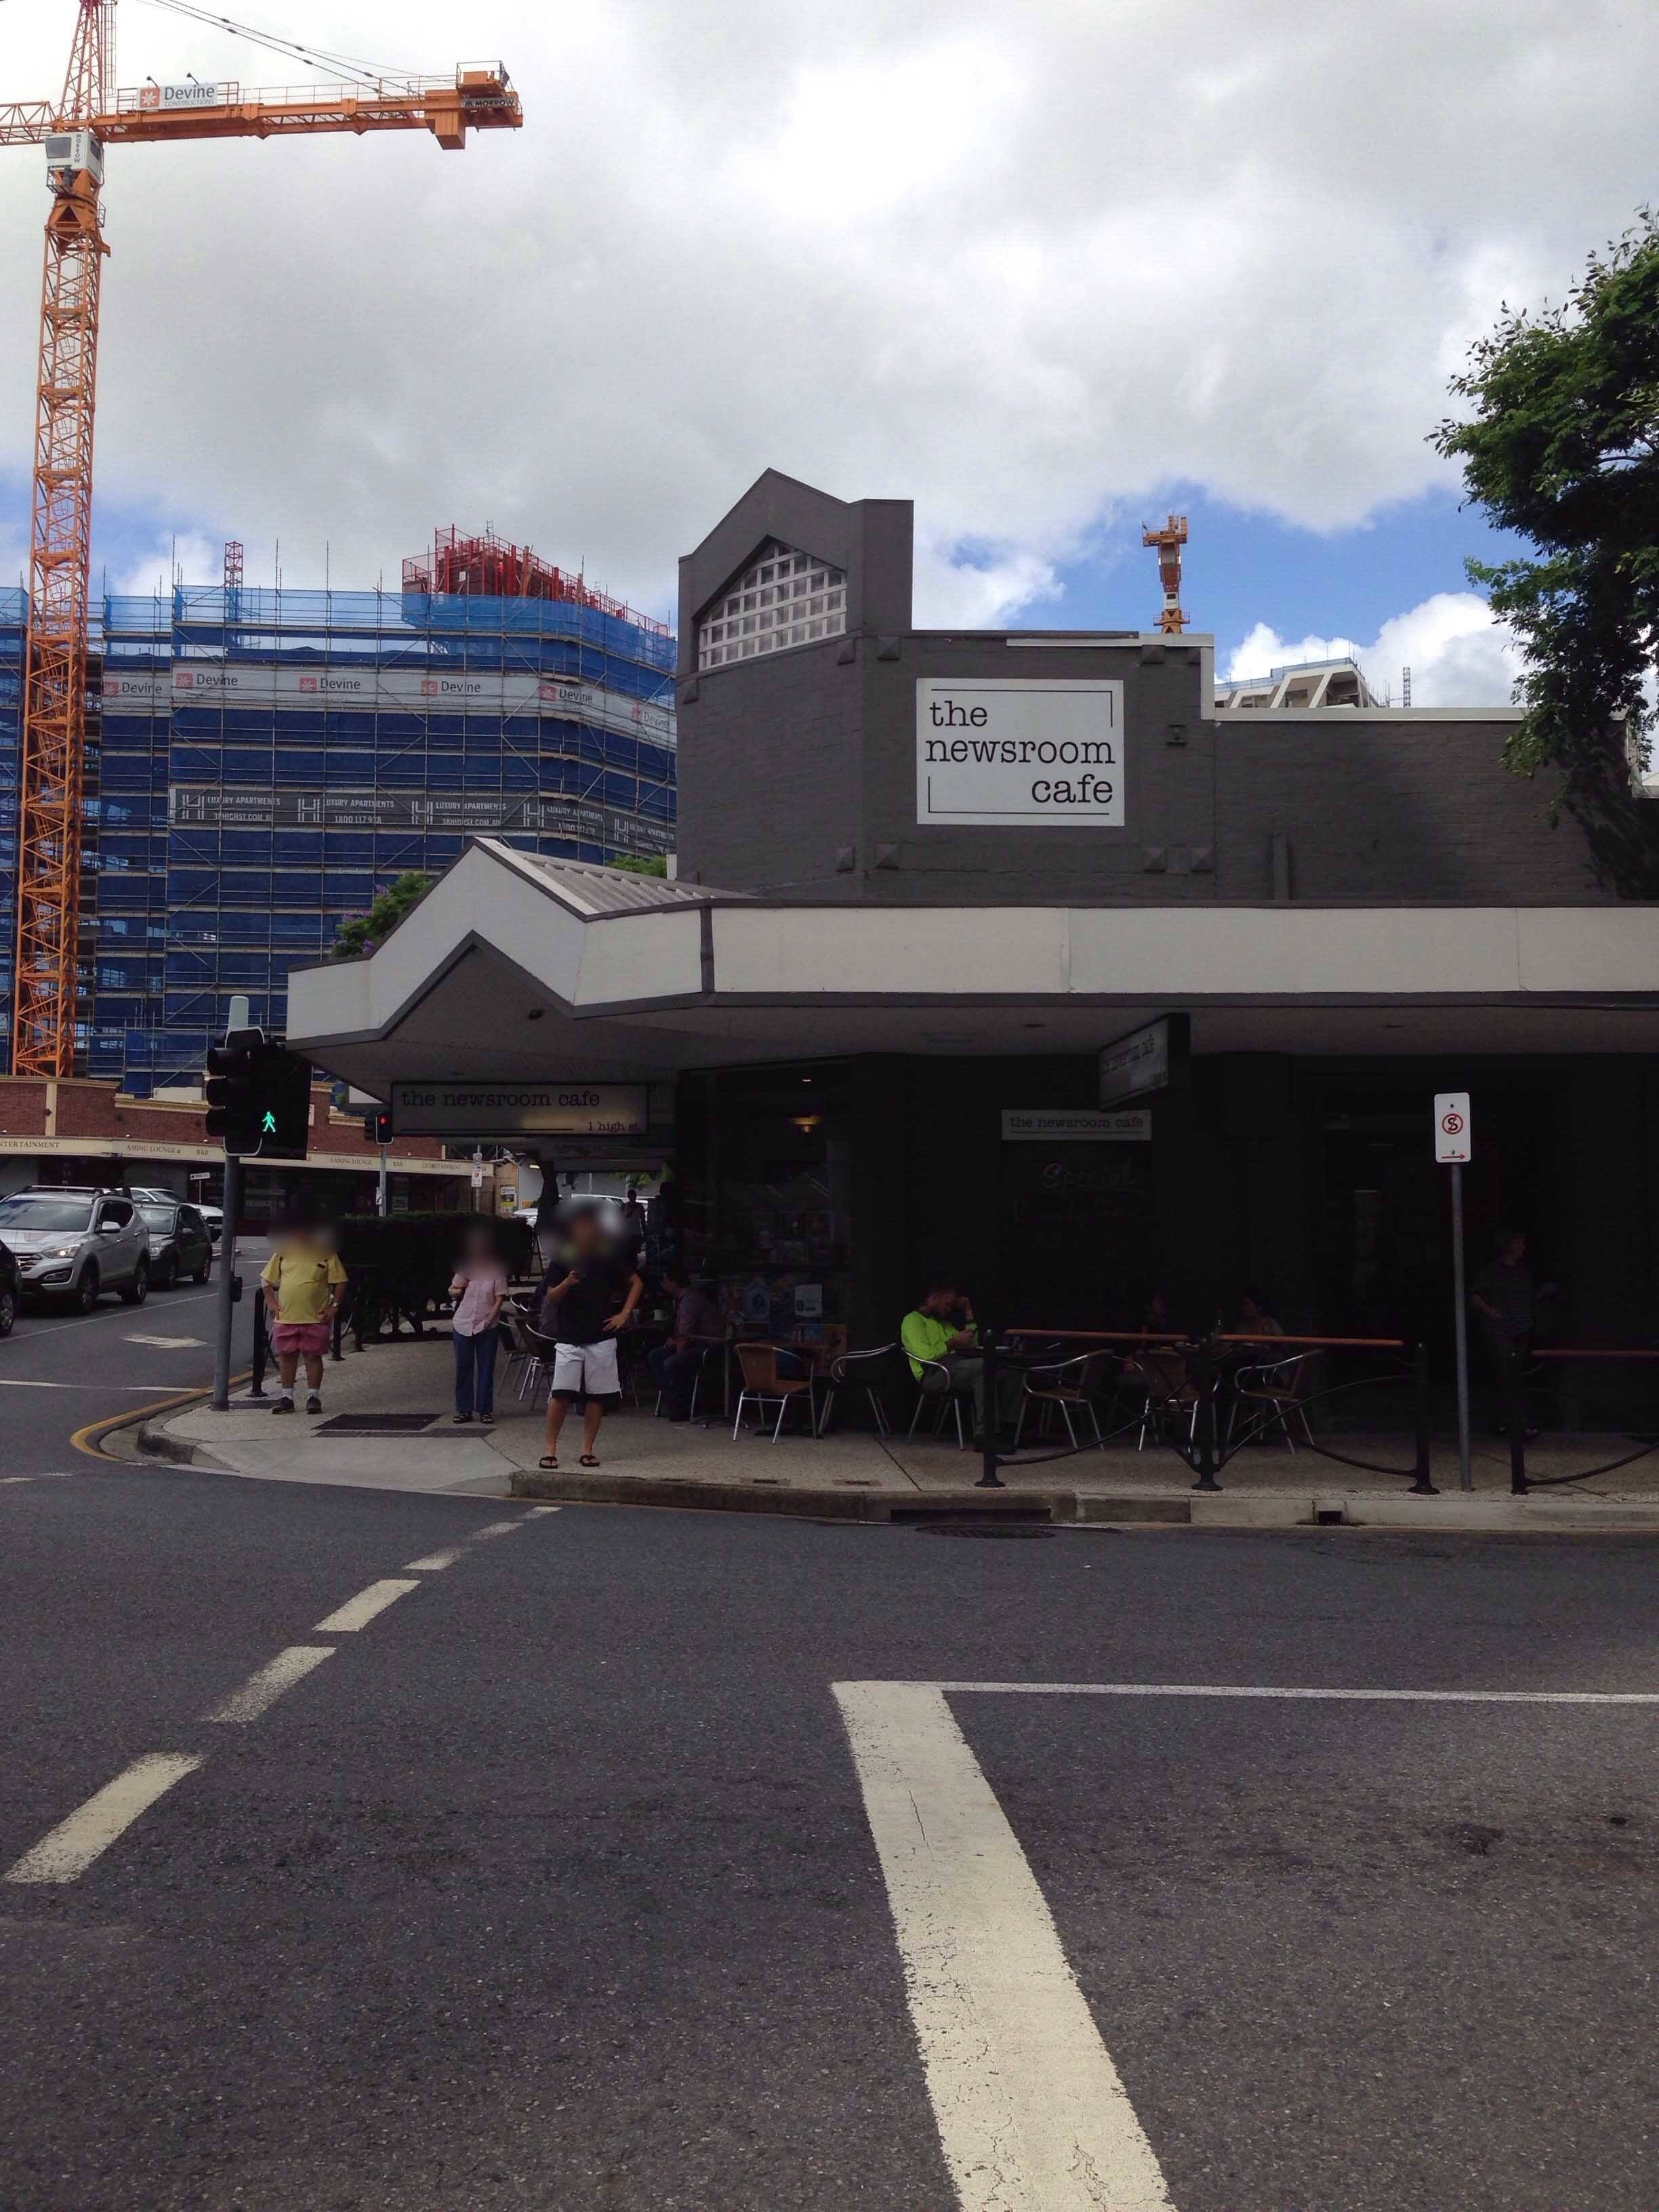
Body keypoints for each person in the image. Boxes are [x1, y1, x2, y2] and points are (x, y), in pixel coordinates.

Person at [539, 1204, 642, 1469]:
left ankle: (587, 1449)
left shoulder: (607, 1255)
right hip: (569, 1336)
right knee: (560, 1394)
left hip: (602, 1335)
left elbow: (636, 1283)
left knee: (597, 1397)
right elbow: (551, 1297)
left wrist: (624, 1314)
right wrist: (567, 1283)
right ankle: (550, 1449)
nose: (587, 1232)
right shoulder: (564, 1257)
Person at [901, 1279, 1022, 1440]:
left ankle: (1009, 1431)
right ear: (935, 1297)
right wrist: (952, 1343)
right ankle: (986, 1435)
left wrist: (968, 1312)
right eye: (947, 1304)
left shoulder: (943, 1323)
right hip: (932, 1373)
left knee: (1010, 1369)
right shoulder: (913, 1320)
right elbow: (925, 1355)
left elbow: (972, 1344)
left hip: (956, 1366)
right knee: (983, 1367)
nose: (949, 1309)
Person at [261, 1215, 347, 1416]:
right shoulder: (282, 1253)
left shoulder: (326, 1253)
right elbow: (266, 1281)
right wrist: (272, 1303)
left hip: (315, 1317)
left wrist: (334, 1307)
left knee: (313, 1357)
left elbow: (341, 1282)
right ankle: (287, 1398)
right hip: (287, 1318)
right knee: (287, 1358)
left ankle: (313, 1397)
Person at [1471, 1227, 1538, 1436]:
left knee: (1512, 1376)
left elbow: (1528, 1295)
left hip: (1521, 1329)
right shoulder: (1493, 1271)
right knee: (1508, 1375)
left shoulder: (1523, 1271)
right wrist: (1490, 1311)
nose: (1522, 1247)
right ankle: (1517, 1424)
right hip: (1500, 1331)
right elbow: (1474, 1294)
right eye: (1519, 1243)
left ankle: (1501, 1421)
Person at [448, 1220, 509, 1427]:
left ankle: (485, 1409)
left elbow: (500, 1298)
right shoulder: (467, 1268)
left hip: (486, 1324)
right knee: (464, 1367)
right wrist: (458, 1290)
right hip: (463, 1322)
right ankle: (464, 1409)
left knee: (486, 1368)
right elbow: (453, 1289)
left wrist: (489, 1320)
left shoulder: (496, 1270)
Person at [647, 1266, 722, 1422]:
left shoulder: (690, 1300)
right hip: (693, 1343)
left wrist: (677, 1351)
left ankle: (682, 1406)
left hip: (706, 1347)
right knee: (655, 1356)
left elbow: (685, 1334)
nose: (663, 1285)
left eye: (665, 1280)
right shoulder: (681, 1299)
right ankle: (673, 1399)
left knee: (672, 1363)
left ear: (674, 1282)